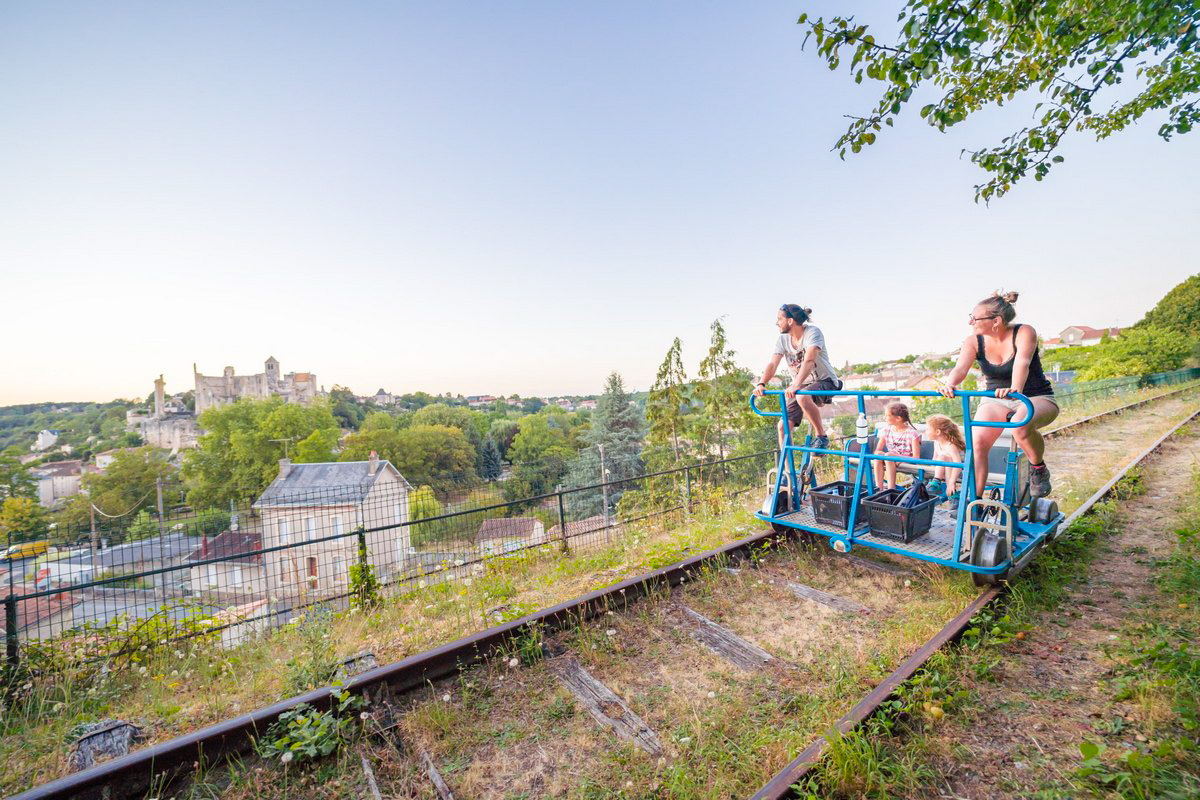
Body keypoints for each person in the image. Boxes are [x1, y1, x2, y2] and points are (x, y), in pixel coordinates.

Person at [939, 291, 1058, 498]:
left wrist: (1015, 389)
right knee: (976, 444)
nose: (970, 322)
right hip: (996, 399)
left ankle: (1038, 468)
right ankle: (972, 502)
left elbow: (1022, 362)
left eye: (975, 318)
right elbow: (960, 369)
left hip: (1035, 397)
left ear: (996, 321)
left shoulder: (1024, 332)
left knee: (1020, 426)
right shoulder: (973, 341)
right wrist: (949, 384)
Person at [753, 304, 842, 468]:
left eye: (779, 319)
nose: (777, 323)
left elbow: (809, 360)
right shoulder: (782, 340)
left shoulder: (812, 333)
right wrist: (761, 383)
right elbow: (773, 363)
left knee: (802, 396)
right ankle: (788, 473)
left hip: (825, 381)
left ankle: (821, 436)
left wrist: (795, 385)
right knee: (782, 426)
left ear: (791, 320)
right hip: (801, 386)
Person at [873, 402, 921, 490]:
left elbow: (916, 458)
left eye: (887, 416)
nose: (885, 418)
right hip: (890, 459)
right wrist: (879, 453)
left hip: (906, 460)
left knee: (889, 456)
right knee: (878, 456)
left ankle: (891, 489)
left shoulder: (912, 434)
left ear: (898, 418)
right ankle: (879, 488)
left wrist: (897, 457)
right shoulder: (886, 430)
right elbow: (877, 450)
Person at [924, 413, 965, 500]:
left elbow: (958, 465)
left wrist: (952, 482)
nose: (925, 431)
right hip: (946, 469)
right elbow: (935, 460)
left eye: (928, 429)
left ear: (938, 432)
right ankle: (951, 495)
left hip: (959, 471)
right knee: (943, 459)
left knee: (944, 458)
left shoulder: (950, 445)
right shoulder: (937, 442)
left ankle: (938, 483)